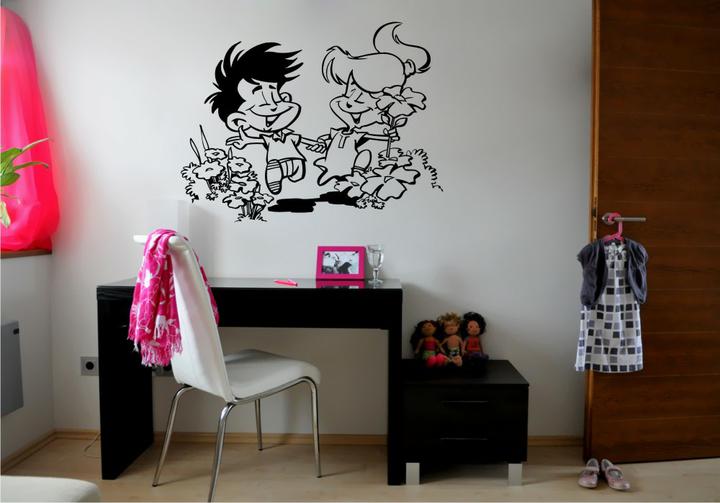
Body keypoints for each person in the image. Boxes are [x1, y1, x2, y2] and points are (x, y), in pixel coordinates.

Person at [314, 22, 430, 185]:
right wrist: (325, 141)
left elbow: (386, 132)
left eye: (363, 96)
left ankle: (356, 177)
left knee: (366, 155)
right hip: (344, 159)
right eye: (351, 91)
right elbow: (341, 134)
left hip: (368, 166)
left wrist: (390, 132)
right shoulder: (354, 121)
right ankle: (344, 175)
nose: (350, 102)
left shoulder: (379, 117)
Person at [205, 42, 324, 195]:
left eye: (276, 95)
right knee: (283, 169)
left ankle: (287, 171)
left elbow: (301, 140)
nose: (274, 106)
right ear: (238, 120)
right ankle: (276, 173)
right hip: (276, 160)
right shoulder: (269, 138)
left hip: (296, 159)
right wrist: (246, 141)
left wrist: (315, 145)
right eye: (262, 103)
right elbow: (259, 140)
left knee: (298, 174)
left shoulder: (287, 134)